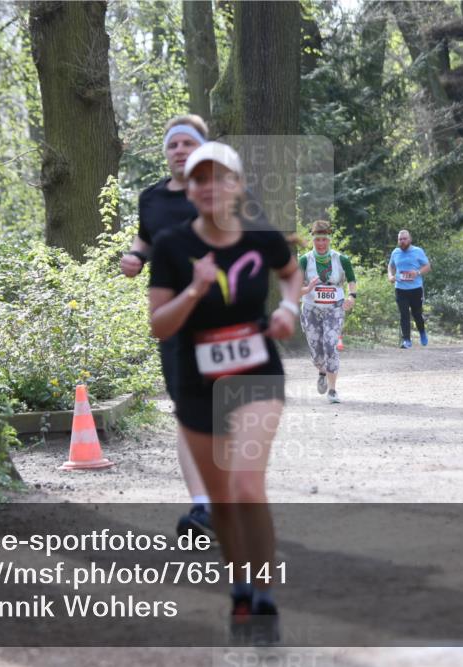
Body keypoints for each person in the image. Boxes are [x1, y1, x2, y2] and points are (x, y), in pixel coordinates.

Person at [148, 141, 301, 643]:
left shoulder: (259, 236)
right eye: (199, 179)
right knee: (221, 500)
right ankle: (240, 589)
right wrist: (194, 289)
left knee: (246, 486)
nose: (210, 186)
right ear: (189, 191)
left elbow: (291, 273)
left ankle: (265, 598)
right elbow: (159, 325)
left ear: (237, 185)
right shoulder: (171, 245)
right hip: (197, 385)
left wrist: (288, 309)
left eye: (220, 176)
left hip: (256, 375)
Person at [119, 115, 213, 540]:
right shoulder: (151, 198)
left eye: (187, 143)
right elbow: (145, 237)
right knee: (188, 412)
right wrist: (135, 257)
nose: (179, 150)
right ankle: (203, 506)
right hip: (173, 318)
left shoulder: (219, 192)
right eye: (172, 144)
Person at [299, 220, 357, 404]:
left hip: (334, 309)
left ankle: (332, 390)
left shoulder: (341, 259)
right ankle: (322, 371)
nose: (321, 243)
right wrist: (308, 288)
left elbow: (351, 281)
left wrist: (351, 297)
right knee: (316, 352)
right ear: (313, 240)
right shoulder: (304, 260)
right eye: (318, 239)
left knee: (331, 345)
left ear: (329, 239)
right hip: (311, 309)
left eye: (324, 239)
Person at [387, 230, 431, 348]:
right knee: (404, 314)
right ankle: (406, 340)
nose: (402, 241)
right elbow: (391, 266)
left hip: (416, 289)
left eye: (404, 239)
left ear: (410, 239)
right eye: (400, 239)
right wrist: (390, 276)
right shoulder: (395, 252)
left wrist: (417, 273)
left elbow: (427, 266)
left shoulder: (418, 251)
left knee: (417, 314)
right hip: (400, 289)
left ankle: (422, 332)